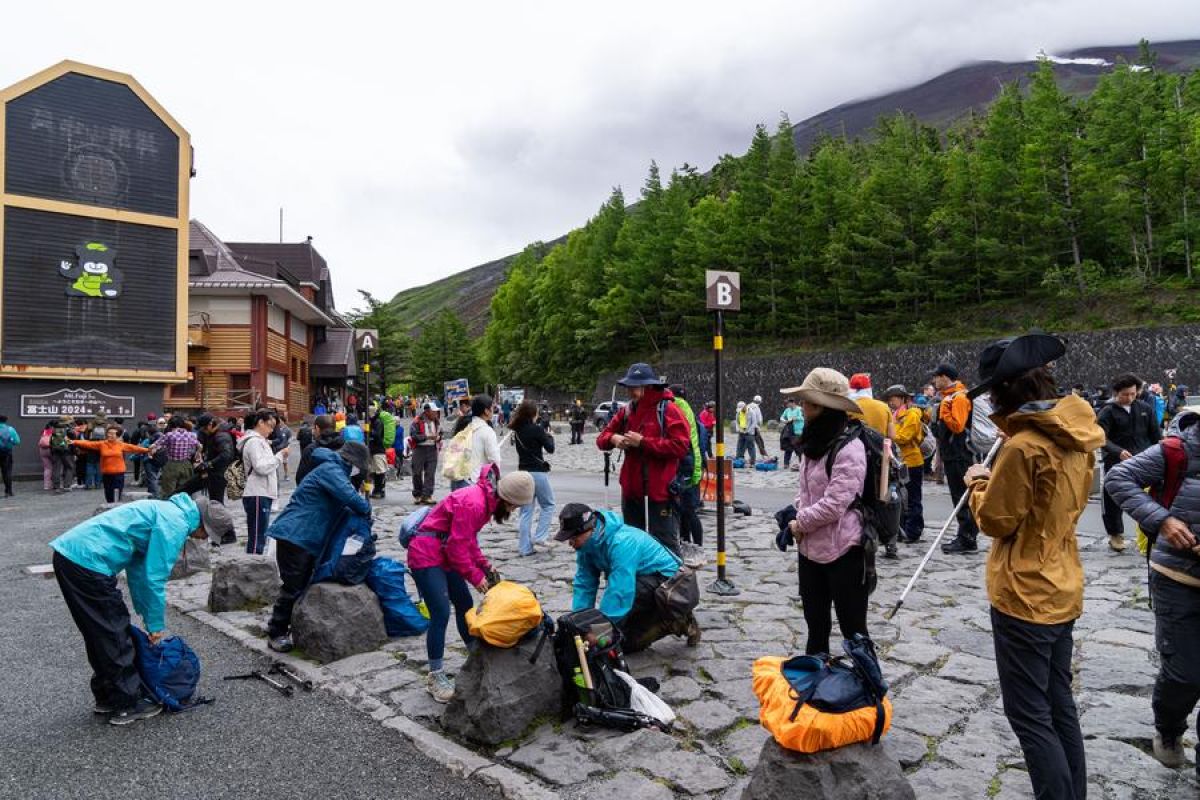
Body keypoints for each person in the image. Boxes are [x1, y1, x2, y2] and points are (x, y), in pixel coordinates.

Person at [963, 333, 1100, 800]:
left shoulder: (1024, 447)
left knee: (1029, 715)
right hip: (1063, 584)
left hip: (1024, 592)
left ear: (1003, 392)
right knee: (1059, 703)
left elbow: (997, 521)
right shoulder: (1077, 436)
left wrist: (979, 483)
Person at [50, 492, 218, 725]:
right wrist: (156, 626)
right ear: (203, 525)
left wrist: (146, 618)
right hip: (90, 564)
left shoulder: (165, 510)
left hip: (70, 556)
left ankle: (107, 695)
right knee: (113, 631)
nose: (202, 539)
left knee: (99, 632)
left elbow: (138, 571)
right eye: (207, 535)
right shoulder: (175, 523)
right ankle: (127, 702)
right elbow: (155, 578)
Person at [1106, 408, 1200, 775]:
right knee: (1185, 674)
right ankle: (1170, 729)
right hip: (1177, 579)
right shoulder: (1176, 451)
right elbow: (1118, 479)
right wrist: (1162, 520)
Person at [408, 467, 534, 702]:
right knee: (441, 613)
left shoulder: (484, 500)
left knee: (465, 605)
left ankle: (475, 654)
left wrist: (484, 565)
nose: (514, 511)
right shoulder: (474, 504)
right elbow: (457, 548)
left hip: (443, 552)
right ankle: (435, 675)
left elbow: (467, 541)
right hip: (426, 554)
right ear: (507, 500)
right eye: (515, 507)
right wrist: (476, 578)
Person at [779, 368, 872, 656]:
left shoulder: (850, 448)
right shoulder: (813, 443)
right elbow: (805, 490)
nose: (802, 408)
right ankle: (816, 689)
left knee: (853, 631)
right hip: (810, 551)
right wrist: (796, 511)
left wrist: (798, 523)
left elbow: (834, 504)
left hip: (845, 551)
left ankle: (870, 691)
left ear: (824, 407)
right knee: (815, 627)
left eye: (808, 402)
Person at [265, 442, 372, 653]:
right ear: (352, 462)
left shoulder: (334, 469)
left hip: (306, 536)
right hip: (295, 534)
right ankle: (276, 632)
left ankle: (290, 628)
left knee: (302, 583)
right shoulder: (332, 470)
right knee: (293, 586)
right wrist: (366, 507)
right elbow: (352, 499)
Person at [558, 502, 700, 652]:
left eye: (573, 537)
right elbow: (584, 585)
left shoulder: (622, 542)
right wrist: (580, 624)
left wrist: (600, 630)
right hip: (641, 583)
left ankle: (677, 621)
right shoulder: (586, 547)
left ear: (588, 529)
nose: (570, 543)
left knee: (610, 637)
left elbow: (620, 590)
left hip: (671, 586)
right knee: (624, 644)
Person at [597, 363, 691, 555]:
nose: (630, 391)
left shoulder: (669, 410)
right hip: (632, 490)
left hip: (660, 492)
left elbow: (681, 446)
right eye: (629, 386)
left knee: (665, 545)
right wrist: (613, 439)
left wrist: (644, 443)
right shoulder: (627, 411)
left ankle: (673, 583)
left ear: (648, 386)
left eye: (635, 387)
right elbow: (602, 438)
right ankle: (640, 584)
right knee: (633, 543)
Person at [1097, 374, 1162, 552]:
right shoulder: (1107, 411)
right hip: (1116, 461)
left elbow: (1155, 435)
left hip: (1143, 460)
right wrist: (1117, 451)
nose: (1130, 398)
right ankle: (1115, 534)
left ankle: (1149, 533)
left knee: (1149, 497)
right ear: (1116, 392)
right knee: (1112, 497)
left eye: (1133, 394)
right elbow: (1101, 437)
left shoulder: (1144, 408)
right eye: (1125, 394)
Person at [932, 364, 980, 554]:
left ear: (945, 377)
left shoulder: (958, 397)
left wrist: (943, 414)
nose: (934, 381)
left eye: (936, 377)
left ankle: (968, 538)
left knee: (963, 496)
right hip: (953, 453)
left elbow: (958, 426)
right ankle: (964, 535)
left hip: (959, 454)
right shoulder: (950, 397)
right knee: (959, 495)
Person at [238, 409, 290, 555]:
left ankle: (255, 567)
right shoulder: (254, 442)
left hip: (261, 492)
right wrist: (279, 456)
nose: (271, 430)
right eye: (270, 425)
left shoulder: (259, 441)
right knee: (256, 537)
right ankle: (254, 570)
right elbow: (261, 467)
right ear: (260, 422)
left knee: (259, 536)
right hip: (256, 493)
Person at [509, 400, 556, 556]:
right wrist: (550, 436)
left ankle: (524, 548)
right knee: (548, 504)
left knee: (526, 511)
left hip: (523, 473)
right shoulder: (537, 429)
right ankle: (540, 536)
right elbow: (551, 449)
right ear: (533, 414)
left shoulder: (517, 431)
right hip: (537, 473)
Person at [883, 385, 926, 544]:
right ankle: (903, 528)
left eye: (893, 398)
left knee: (913, 498)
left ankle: (914, 531)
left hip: (913, 462)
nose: (890, 402)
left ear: (903, 399)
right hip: (900, 462)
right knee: (902, 498)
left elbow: (904, 437)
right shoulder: (894, 415)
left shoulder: (912, 415)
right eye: (889, 399)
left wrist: (889, 433)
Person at [72, 425, 150, 504]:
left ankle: (117, 508)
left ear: (117, 436)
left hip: (119, 473)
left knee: (118, 493)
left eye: (112, 434)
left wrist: (147, 450)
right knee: (108, 493)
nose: (110, 435)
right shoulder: (102, 444)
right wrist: (74, 441)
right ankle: (109, 508)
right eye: (108, 433)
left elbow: (134, 448)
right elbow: (88, 443)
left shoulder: (121, 444)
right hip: (107, 473)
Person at [668, 385, 704, 548]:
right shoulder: (689, 411)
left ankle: (694, 545)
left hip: (686, 467)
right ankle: (689, 544)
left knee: (686, 511)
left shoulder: (677, 406)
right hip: (692, 466)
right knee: (686, 511)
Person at [450, 394, 502, 491]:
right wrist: (498, 480)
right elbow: (494, 460)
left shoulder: (464, 424)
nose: (493, 411)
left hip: (456, 478)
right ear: (486, 411)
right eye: (492, 408)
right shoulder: (487, 431)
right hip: (473, 481)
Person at [152, 416, 198, 498]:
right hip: (186, 465)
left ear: (170, 425)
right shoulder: (191, 435)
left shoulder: (169, 435)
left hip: (171, 465)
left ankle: (169, 508)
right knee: (185, 491)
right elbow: (199, 446)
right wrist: (198, 454)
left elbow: (156, 445)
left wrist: (151, 451)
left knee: (168, 491)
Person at [196, 414, 237, 505]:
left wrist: (209, 463)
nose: (202, 431)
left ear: (210, 425)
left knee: (217, 501)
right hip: (215, 471)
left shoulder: (221, 435)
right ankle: (217, 517)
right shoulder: (215, 434)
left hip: (220, 473)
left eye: (203, 428)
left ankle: (219, 518)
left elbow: (226, 454)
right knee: (215, 500)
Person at [409, 402, 442, 504]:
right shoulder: (417, 421)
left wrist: (439, 437)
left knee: (430, 473)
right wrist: (428, 437)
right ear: (427, 411)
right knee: (417, 472)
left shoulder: (436, 421)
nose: (436, 413)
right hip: (419, 449)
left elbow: (441, 433)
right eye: (434, 411)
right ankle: (418, 494)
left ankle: (427, 495)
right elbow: (414, 436)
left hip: (432, 448)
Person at [296, 414, 343, 485]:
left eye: (314, 428)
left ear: (317, 428)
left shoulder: (310, 450)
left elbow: (300, 478)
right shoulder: (344, 445)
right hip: (340, 491)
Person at [848, 373, 894, 439]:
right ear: (869, 389)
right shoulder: (884, 407)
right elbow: (892, 435)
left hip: (854, 447)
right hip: (879, 447)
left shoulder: (847, 407)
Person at [779, 397, 804, 470]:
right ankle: (786, 464)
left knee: (798, 448)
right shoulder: (787, 410)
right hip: (789, 431)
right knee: (788, 448)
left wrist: (794, 418)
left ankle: (802, 463)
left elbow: (802, 418)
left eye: (788, 403)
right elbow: (781, 417)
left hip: (798, 431)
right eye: (786, 403)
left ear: (792, 403)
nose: (787, 405)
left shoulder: (799, 409)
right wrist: (784, 420)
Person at [0, 414, 20, 497]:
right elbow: (17, 441)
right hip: (6, 453)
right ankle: (8, 491)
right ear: (6, 420)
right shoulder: (10, 429)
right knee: (7, 472)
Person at [733, 401, 756, 465]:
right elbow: (737, 422)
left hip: (749, 433)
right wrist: (739, 429)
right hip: (741, 433)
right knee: (739, 447)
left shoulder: (751, 412)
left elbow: (754, 423)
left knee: (751, 447)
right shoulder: (738, 413)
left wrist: (748, 430)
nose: (741, 410)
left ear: (745, 406)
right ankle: (739, 460)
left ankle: (752, 461)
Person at [37, 421, 55, 492]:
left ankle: (46, 485)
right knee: (56, 467)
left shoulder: (43, 431)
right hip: (52, 450)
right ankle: (55, 484)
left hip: (42, 450)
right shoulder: (54, 431)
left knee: (47, 468)